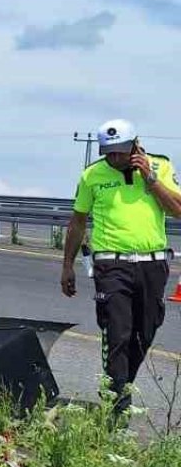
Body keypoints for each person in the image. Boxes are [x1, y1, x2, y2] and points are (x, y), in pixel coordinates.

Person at [60, 119, 181, 418]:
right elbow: (77, 222)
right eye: (108, 153)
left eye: (120, 152)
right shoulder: (92, 175)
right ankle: (116, 408)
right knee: (117, 334)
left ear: (135, 146)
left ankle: (122, 385)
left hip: (152, 264)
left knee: (146, 331)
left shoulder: (160, 166)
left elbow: (178, 210)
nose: (114, 159)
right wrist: (67, 266)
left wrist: (150, 179)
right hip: (111, 264)